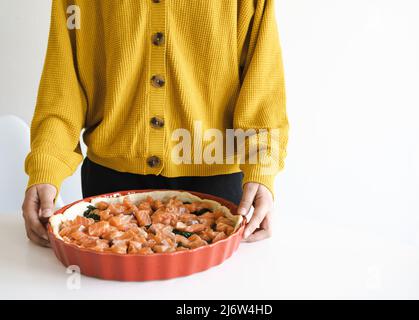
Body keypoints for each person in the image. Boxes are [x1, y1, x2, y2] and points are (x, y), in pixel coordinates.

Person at [22, 0, 288, 248]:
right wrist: (46, 169)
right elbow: (62, 91)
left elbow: (262, 91)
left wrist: (262, 172)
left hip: (217, 187)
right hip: (110, 187)